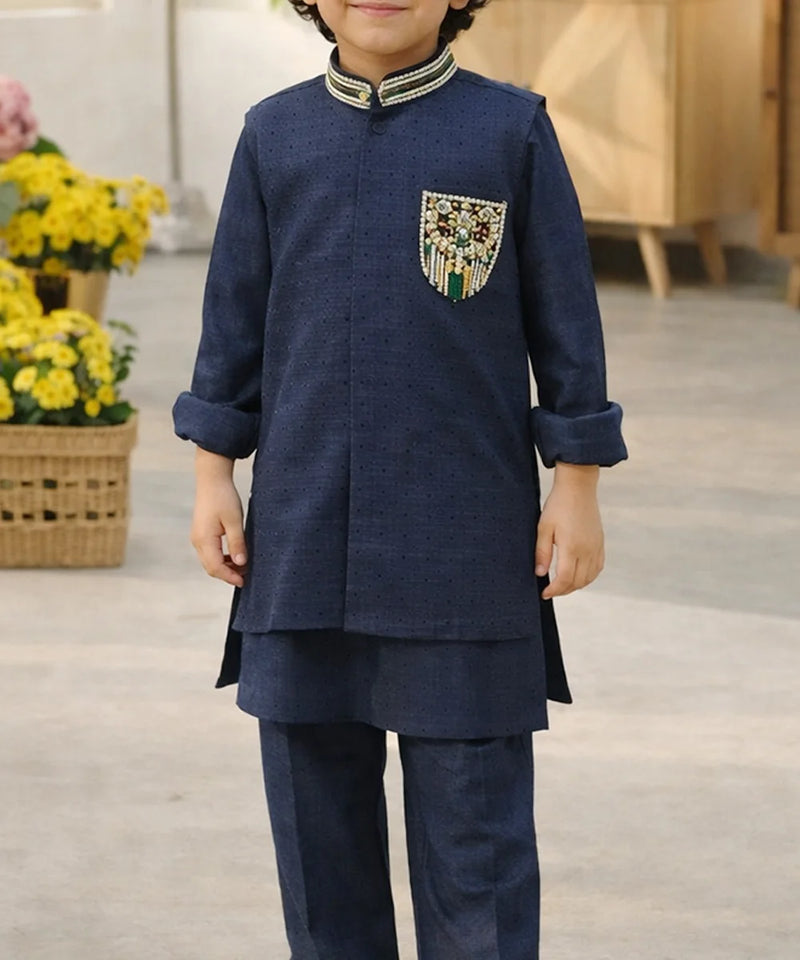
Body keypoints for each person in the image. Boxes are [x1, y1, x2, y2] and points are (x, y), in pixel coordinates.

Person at [173, 0, 628, 957]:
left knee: (480, 859)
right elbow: (233, 322)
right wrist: (216, 473)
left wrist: (577, 481)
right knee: (318, 846)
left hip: (462, 551)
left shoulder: (510, 129)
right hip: (299, 548)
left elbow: (566, 321)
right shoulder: (274, 133)